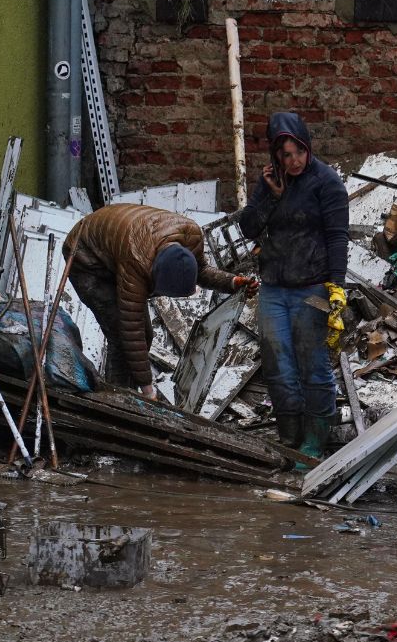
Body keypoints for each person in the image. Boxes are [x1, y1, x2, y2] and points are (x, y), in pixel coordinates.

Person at [237, 112, 351, 458]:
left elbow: (337, 237)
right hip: (274, 288)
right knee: (278, 366)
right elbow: (248, 228)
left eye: (298, 152)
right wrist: (271, 196)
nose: (294, 161)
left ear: (307, 146)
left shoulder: (326, 183)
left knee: (313, 365)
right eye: (285, 154)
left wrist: (337, 286)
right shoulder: (271, 181)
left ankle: (315, 443)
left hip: (313, 288)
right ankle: (291, 440)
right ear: (275, 155)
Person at [63, 205, 256, 397]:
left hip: (117, 244)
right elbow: (131, 330)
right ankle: (117, 398)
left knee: (145, 336)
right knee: (121, 336)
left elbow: (201, 271)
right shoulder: (137, 262)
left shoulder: (192, 236)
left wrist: (232, 281)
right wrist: (148, 391)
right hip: (84, 257)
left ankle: (127, 393)